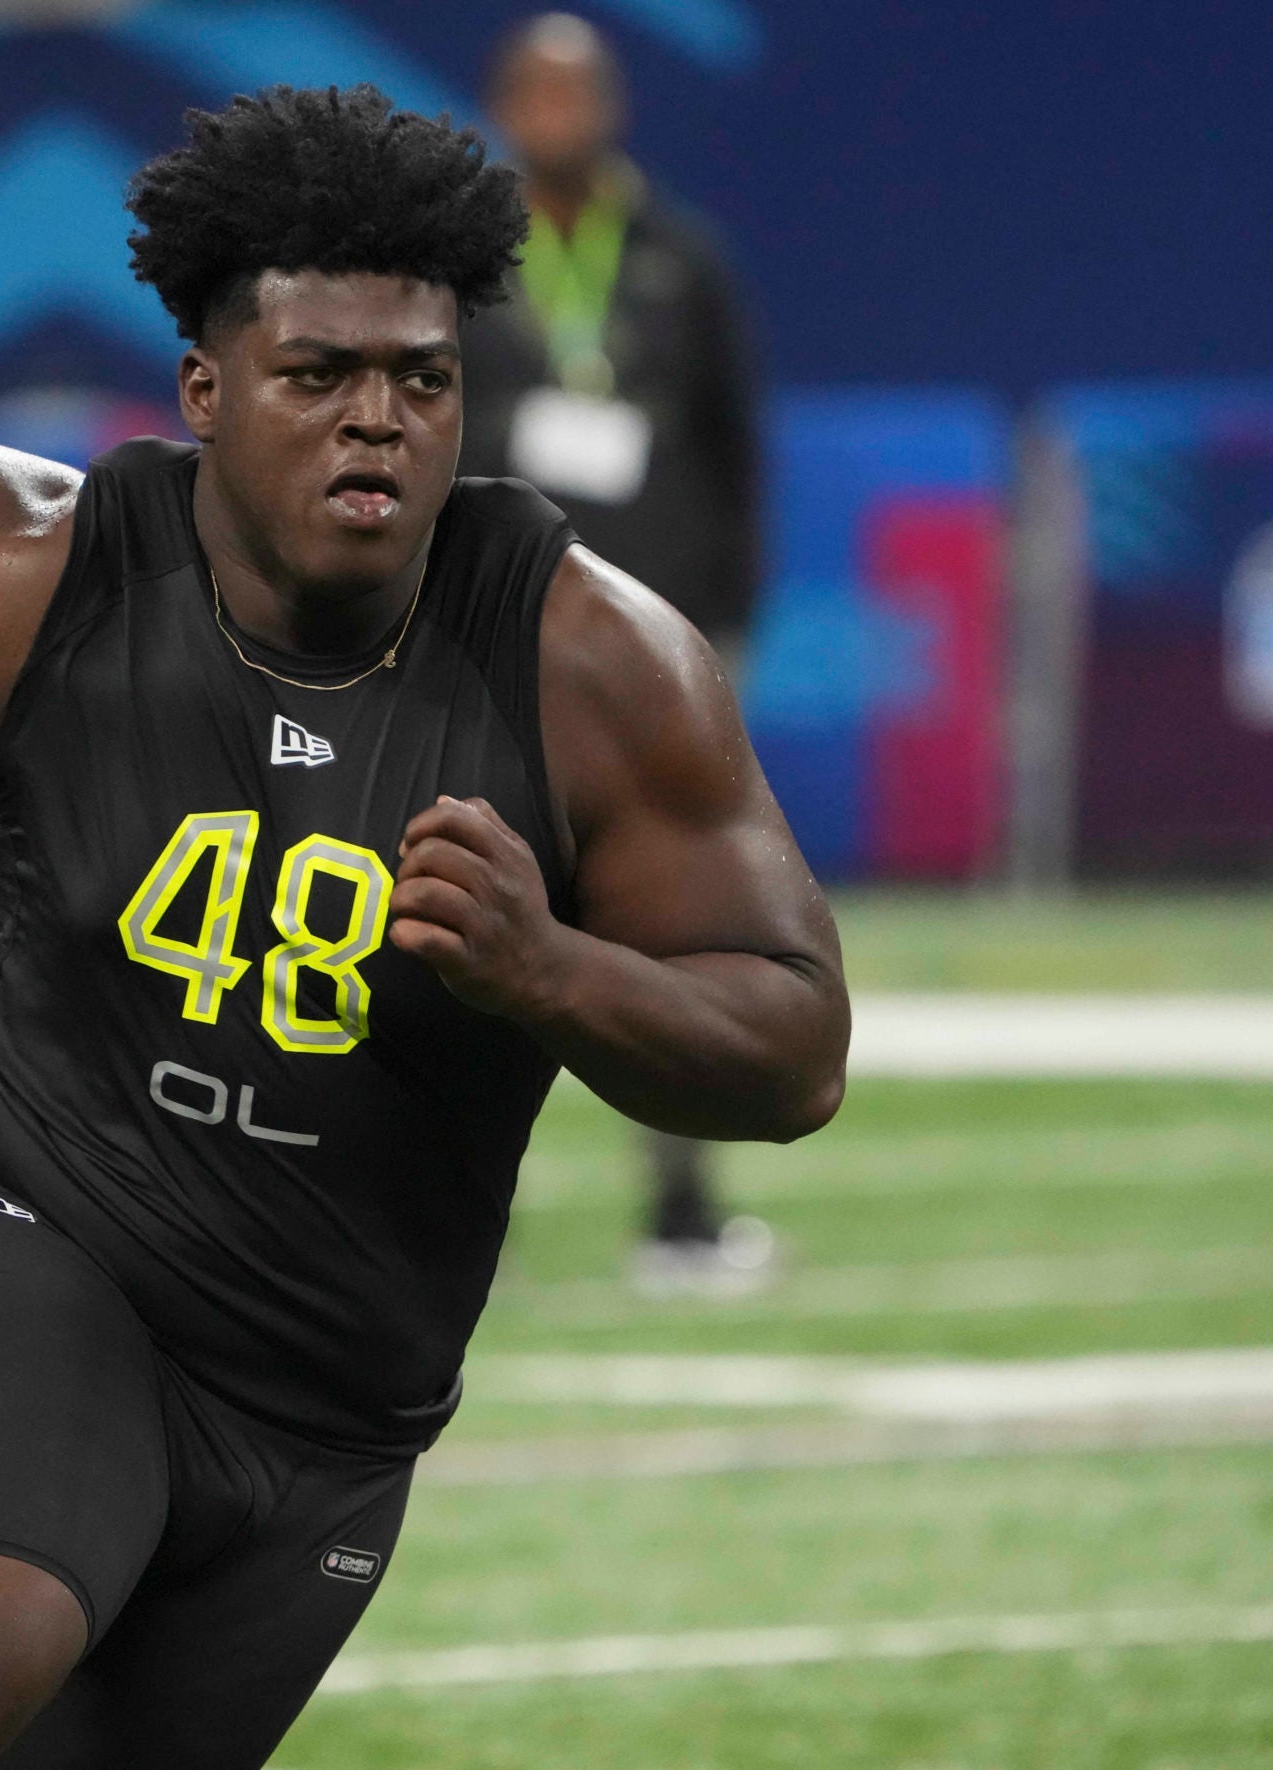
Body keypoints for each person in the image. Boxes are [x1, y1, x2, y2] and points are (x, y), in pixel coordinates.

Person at [0, 84, 845, 1770]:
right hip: (42, 1244)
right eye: (317, 374)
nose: (379, 423)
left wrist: (553, 973)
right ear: (206, 391)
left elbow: (795, 1050)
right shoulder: (43, 575)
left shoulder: (592, 665)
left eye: (422, 377)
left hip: (332, 1406)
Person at [461, 13, 778, 1294]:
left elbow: (734, 445)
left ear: (612, 105)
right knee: (468, 907)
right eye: (533, 92)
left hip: (655, 634)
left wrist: (729, 622)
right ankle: (447, 1213)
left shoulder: (680, 259)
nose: (556, 112)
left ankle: (683, 1211)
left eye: (575, 89)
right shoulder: (464, 257)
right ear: (500, 105)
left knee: (675, 916)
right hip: (495, 622)